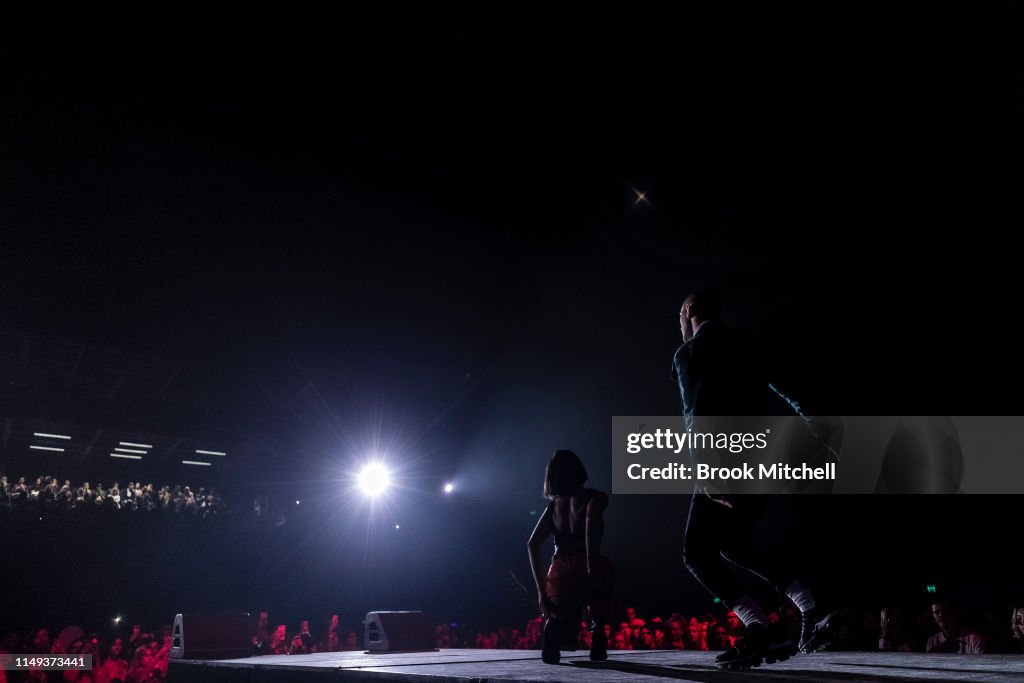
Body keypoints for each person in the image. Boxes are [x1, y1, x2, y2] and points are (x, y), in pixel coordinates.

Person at [672, 287, 840, 670]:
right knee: (732, 543)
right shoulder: (749, 343)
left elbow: (695, 412)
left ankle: (759, 627)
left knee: (697, 552)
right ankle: (809, 603)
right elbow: (796, 391)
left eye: (679, 317)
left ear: (688, 310)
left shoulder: (689, 352)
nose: (679, 325)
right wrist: (827, 436)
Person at [527, 450, 615, 664]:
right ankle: (597, 631)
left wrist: (541, 590)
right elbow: (590, 531)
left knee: (560, 615)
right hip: (585, 562)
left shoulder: (552, 507)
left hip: (558, 572)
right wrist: (592, 571)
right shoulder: (596, 497)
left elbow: (532, 543)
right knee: (607, 572)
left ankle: (554, 629)